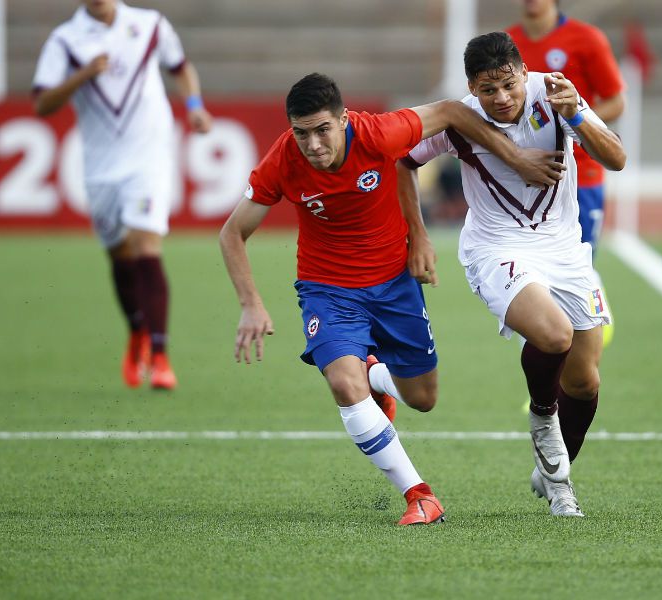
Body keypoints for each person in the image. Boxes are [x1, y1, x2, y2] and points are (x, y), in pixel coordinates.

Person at [219, 72, 565, 526]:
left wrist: (515, 159)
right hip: (328, 288)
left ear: (343, 120)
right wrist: (250, 303)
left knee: (423, 398)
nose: (313, 144)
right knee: (344, 385)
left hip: (393, 284)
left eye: (323, 129)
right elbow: (232, 234)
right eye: (301, 133)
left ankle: (376, 376)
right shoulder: (283, 160)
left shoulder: (378, 133)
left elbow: (453, 111)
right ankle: (419, 495)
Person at [399, 32, 625, 517]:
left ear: (525, 73)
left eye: (508, 85)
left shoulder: (556, 92)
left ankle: (551, 475)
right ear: (472, 89)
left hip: (564, 248)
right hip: (495, 248)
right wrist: (417, 233)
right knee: (553, 335)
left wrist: (578, 115)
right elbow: (403, 160)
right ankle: (546, 430)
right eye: (487, 90)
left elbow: (616, 158)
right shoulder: (460, 119)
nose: (500, 98)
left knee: (585, 381)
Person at [32, 0, 212, 390]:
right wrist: (81, 76)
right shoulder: (65, 40)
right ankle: (137, 333)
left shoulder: (148, 24)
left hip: (149, 154)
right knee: (119, 254)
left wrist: (194, 105)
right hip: (100, 165)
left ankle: (161, 357)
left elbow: (180, 67)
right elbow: (42, 104)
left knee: (146, 245)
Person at [507, 0, 625, 346]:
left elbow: (616, 100)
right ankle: (545, 390)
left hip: (580, 176)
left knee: (572, 271)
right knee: (527, 278)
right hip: (524, 177)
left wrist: (569, 122)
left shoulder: (586, 39)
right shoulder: (507, 43)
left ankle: (585, 346)